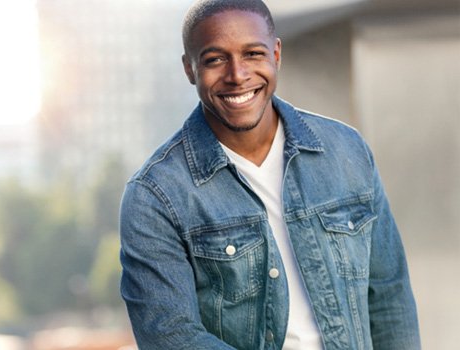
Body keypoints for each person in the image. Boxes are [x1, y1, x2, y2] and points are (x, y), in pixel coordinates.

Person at [119, 0, 421, 349]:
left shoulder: (346, 151)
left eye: (252, 54)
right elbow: (170, 337)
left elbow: (388, 296)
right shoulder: (155, 196)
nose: (237, 75)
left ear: (276, 53)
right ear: (189, 68)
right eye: (215, 59)